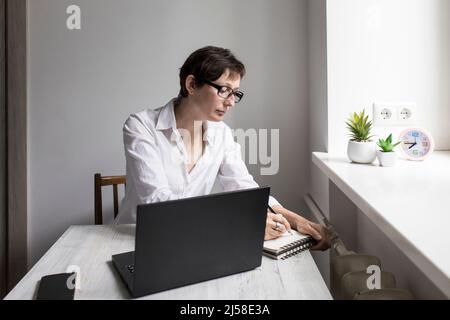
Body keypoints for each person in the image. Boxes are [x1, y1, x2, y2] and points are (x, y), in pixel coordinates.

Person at [116, 46, 330, 250]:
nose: (231, 102)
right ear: (191, 85)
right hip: (135, 240)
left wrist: (295, 220)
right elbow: (157, 203)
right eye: (224, 90)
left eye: (235, 93)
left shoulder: (222, 133)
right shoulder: (141, 126)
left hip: (193, 239)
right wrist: (245, 224)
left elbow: (243, 187)